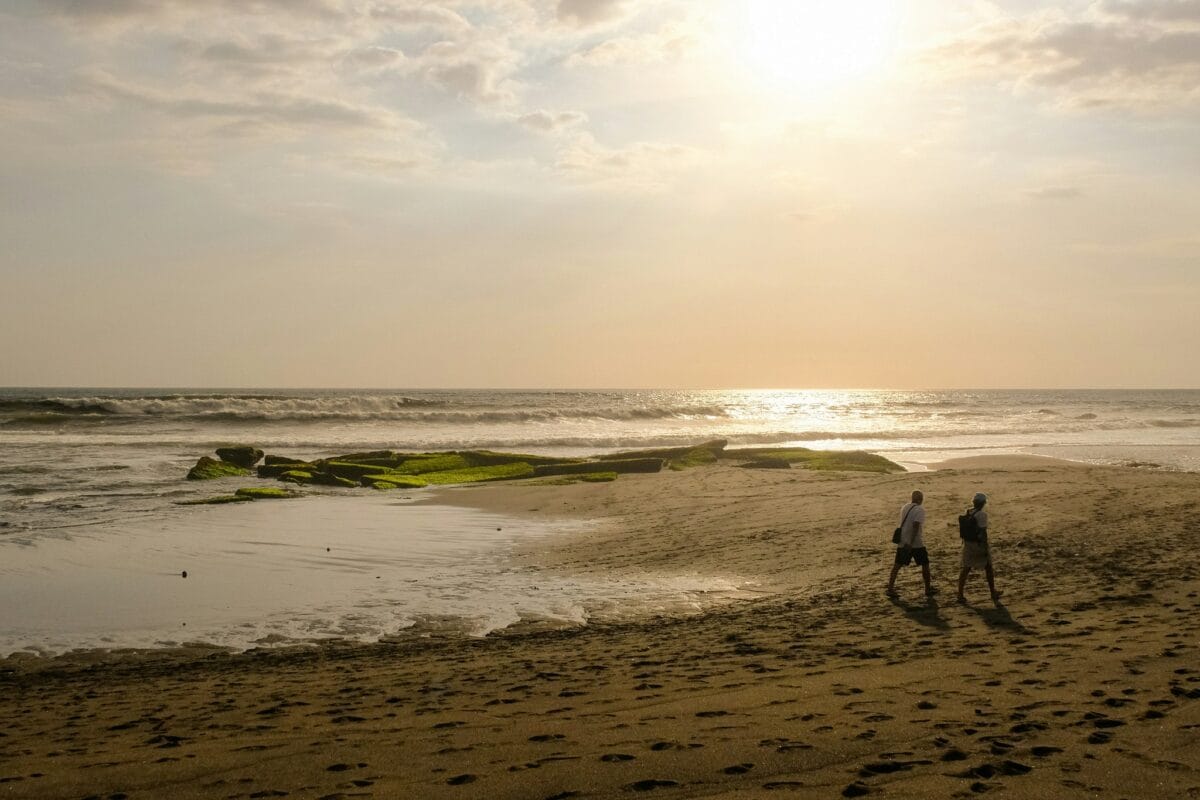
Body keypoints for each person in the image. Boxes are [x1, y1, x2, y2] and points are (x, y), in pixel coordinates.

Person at [887, 490, 935, 597]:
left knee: (897, 565)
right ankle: (927, 589)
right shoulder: (919, 510)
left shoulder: (905, 507)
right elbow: (916, 526)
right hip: (915, 543)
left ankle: (890, 588)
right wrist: (911, 542)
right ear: (920, 499)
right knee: (925, 564)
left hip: (903, 540)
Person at [957, 492, 1000, 604]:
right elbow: (982, 532)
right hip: (978, 544)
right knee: (988, 567)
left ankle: (960, 594)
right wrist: (985, 547)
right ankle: (993, 593)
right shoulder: (982, 515)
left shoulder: (968, 512)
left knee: (966, 568)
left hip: (967, 543)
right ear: (983, 503)